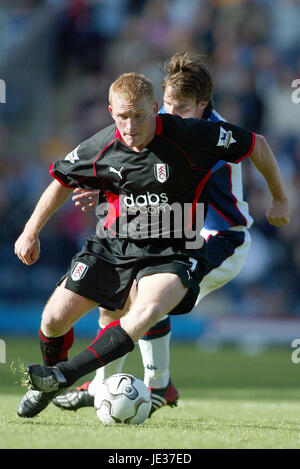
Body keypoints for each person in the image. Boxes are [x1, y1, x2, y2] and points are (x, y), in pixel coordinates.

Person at [15, 70, 290, 419]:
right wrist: (30, 230)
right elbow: (61, 180)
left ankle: (66, 376)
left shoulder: (192, 135)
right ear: (110, 112)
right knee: (53, 320)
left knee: (146, 309)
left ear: (156, 109)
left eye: (139, 116)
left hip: (174, 249)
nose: (130, 126)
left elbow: (256, 144)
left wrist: (279, 197)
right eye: (122, 117)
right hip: (115, 244)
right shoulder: (102, 144)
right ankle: (51, 381)